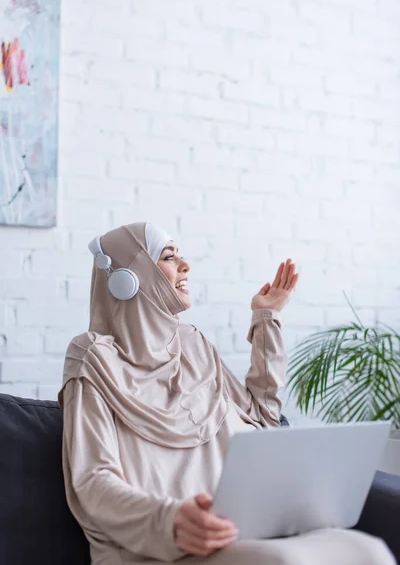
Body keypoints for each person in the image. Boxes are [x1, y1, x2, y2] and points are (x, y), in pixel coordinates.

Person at [58, 222, 395, 565]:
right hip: (160, 548)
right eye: (169, 256)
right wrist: (169, 520)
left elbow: (263, 420)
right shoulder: (93, 358)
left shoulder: (193, 344)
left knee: (369, 550)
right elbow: (93, 480)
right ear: (127, 278)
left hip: (241, 533)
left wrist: (267, 317)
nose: (186, 265)